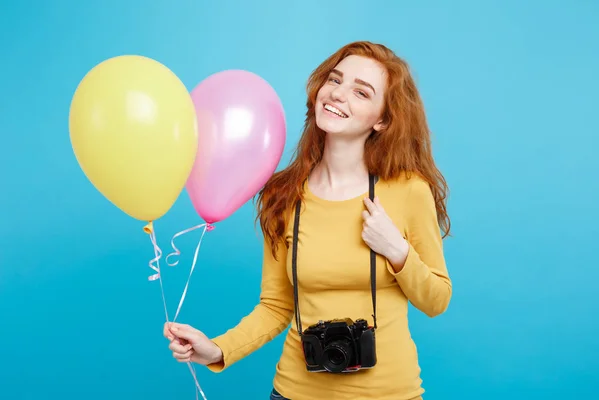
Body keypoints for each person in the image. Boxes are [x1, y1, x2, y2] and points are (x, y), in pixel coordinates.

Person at [163, 41, 452, 400]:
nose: (337, 94)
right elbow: (275, 306)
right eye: (335, 80)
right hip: (294, 392)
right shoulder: (282, 195)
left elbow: (437, 299)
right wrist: (217, 350)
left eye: (361, 92)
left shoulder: (408, 190)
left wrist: (398, 251)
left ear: (383, 119)